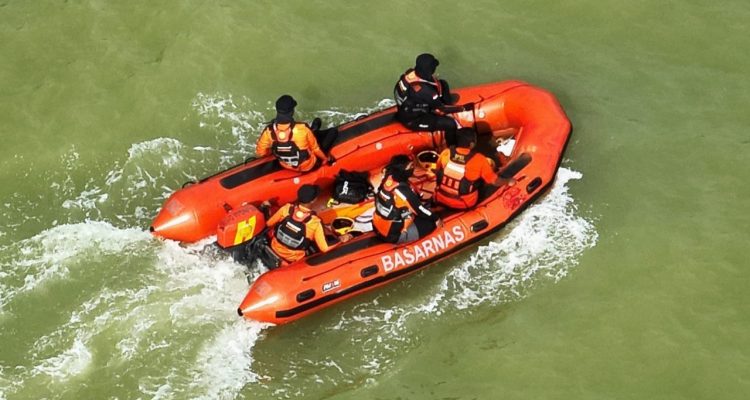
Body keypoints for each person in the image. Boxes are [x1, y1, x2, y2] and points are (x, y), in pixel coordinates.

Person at [393, 53, 473, 146]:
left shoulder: (409, 74)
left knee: (442, 83)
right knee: (450, 124)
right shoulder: (425, 91)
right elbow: (442, 109)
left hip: (407, 108)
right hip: (414, 120)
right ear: (430, 70)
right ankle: (452, 147)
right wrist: (463, 108)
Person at [255, 95, 334, 172]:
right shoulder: (302, 129)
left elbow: (261, 152)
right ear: (292, 111)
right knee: (332, 132)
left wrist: (279, 149)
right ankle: (313, 131)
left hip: (286, 165)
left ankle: (313, 131)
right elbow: (315, 149)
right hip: (308, 166)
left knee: (306, 137)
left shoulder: (268, 131)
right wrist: (327, 159)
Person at [266, 184, 341, 263]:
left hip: (273, 248)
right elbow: (324, 248)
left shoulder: (286, 208)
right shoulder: (315, 222)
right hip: (293, 259)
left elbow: (269, 223)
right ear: (313, 200)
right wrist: (341, 239)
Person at [372, 155, 439, 244]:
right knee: (430, 224)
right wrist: (436, 219)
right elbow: (420, 210)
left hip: (377, 224)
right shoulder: (402, 191)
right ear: (402, 169)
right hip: (392, 235)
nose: (412, 169)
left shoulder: (387, 178)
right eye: (410, 166)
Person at [434, 128, 505, 209]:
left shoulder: (446, 153)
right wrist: (509, 181)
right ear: (471, 144)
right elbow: (495, 182)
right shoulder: (479, 159)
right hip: (464, 203)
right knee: (484, 181)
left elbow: (438, 170)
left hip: (440, 198)